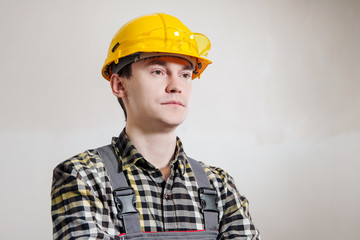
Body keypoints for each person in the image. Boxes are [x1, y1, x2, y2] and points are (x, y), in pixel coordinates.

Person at [51, 13, 261, 240]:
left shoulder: (220, 186)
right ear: (119, 85)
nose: (176, 86)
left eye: (185, 74)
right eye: (158, 72)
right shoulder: (83, 177)